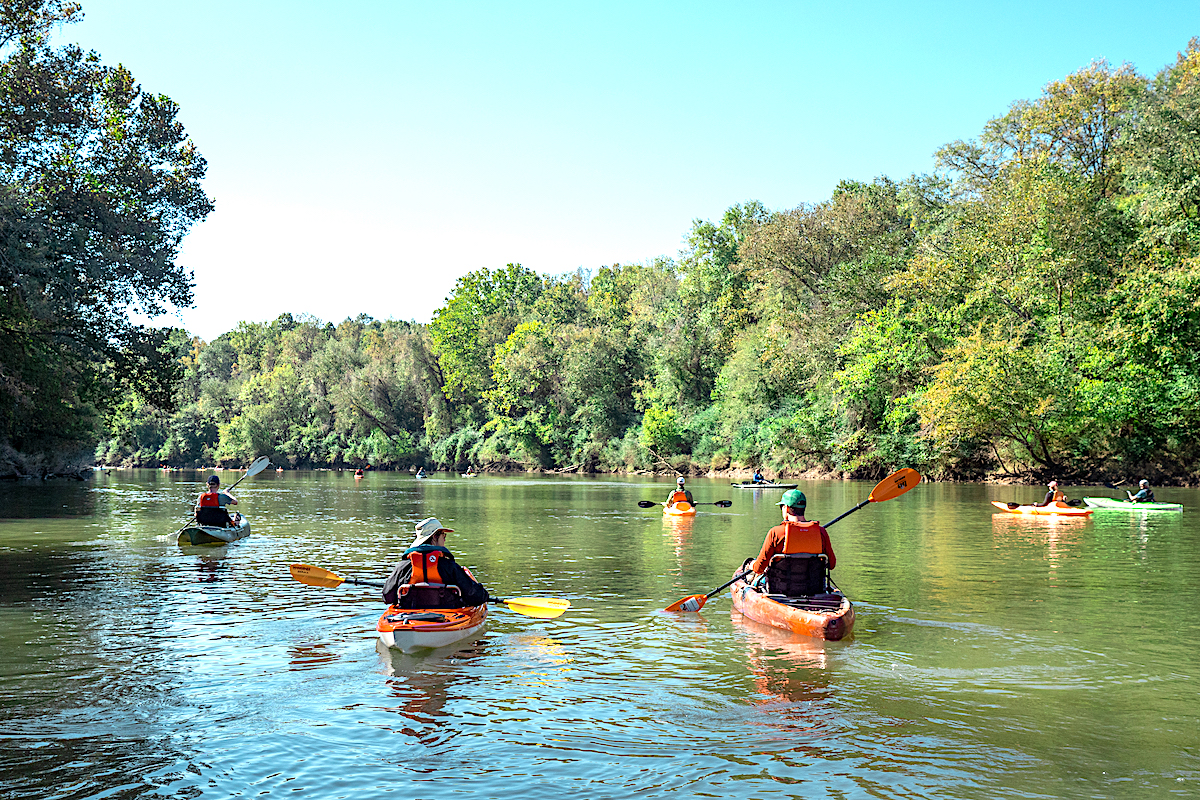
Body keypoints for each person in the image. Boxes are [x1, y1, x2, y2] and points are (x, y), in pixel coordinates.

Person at [383, 517, 489, 609]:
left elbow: (387, 596)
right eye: (444, 536)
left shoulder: (403, 567)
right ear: (434, 536)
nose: (445, 540)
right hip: (446, 618)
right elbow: (476, 596)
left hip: (408, 617)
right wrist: (484, 595)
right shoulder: (449, 567)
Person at [746, 489, 836, 596]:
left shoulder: (775, 532)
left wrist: (751, 565)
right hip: (813, 589)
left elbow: (759, 568)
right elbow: (832, 564)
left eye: (781, 507)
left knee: (754, 576)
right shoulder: (821, 532)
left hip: (780, 591)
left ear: (786, 508)